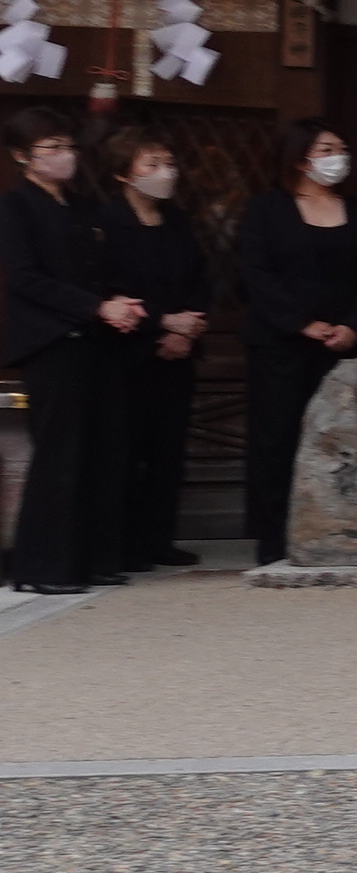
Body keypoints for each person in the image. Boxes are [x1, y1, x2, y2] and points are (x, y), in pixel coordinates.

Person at [2, 110, 146, 596]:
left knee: (104, 450)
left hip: (99, 340)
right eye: (52, 148)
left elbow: (103, 266)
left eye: (68, 146)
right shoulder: (16, 207)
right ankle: (44, 567)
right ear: (22, 156)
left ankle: (96, 558)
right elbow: (25, 278)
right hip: (53, 342)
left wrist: (120, 303)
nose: (65, 156)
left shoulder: (84, 206)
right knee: (60, 455)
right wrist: (94, 306)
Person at [234, 118, 357, 571]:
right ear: (300, 159)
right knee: (276, 438)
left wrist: (353, 326)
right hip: (280, 344)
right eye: (326, 149)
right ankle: (273, 537)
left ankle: (341, 530)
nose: (337, 157)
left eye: (341, 148)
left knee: (346, 441)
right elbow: (256, 274)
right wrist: (300, 323)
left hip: (343, 346)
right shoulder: (266, 210)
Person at [96, 127, 212, 572]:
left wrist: (186, 330)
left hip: (177, 353)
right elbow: (108, 288)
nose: (166, 173)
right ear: (124, 174)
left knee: (168, 451)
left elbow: (201, 279)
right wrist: (162, 322)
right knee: (126, 451)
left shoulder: (178, 220)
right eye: (153, 164)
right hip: (127, 352)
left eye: (170, 164)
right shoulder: (107, 222)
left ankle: (159, 538)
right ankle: (123, 543)